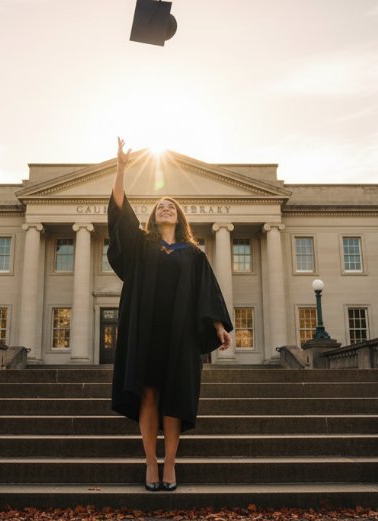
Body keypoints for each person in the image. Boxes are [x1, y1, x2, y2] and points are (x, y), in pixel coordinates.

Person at [107, 137, 233, 492]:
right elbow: (119, 211)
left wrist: (220, 326)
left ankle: (171, 465)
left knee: (175, 399)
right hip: (147, 332)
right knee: (148, 396)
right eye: (160, 205)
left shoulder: (192, 254)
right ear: (153, 215)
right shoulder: (142, 244)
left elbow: (208, 291)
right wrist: (121, 168)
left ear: (178, 217)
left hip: (180, 335)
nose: (165, 208)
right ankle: (150, 464)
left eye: (171, 206)